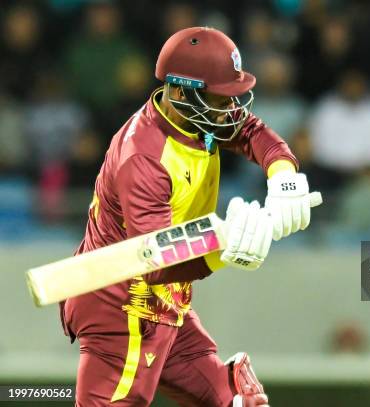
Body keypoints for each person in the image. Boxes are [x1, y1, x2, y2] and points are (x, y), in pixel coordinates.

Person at [60, 27, 314, 406]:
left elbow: (251, 131)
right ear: (180, 91)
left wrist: (283, 177)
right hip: (122, 306)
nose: (231, 109)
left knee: (237, 401)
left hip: (166, 298)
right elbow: (154, 259)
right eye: (220, 97)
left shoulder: (197, 117)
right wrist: (222, 248)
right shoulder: (144, 157)